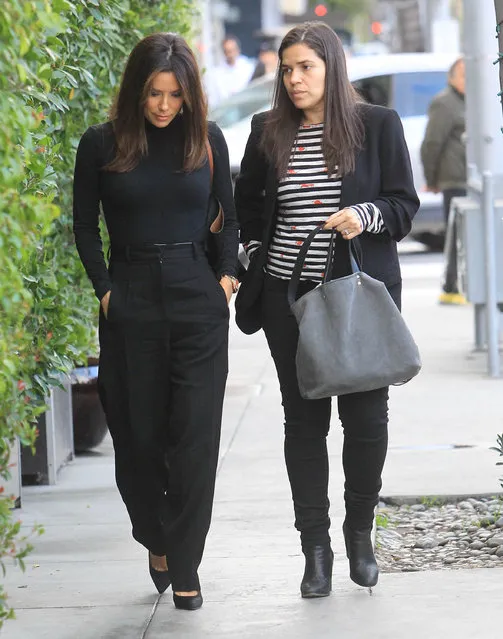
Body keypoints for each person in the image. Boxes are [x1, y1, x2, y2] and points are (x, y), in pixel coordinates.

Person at [234, 22, 418, 598]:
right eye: (286, 69)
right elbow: (246, 208)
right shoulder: (267, 132)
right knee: (304, 423)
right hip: (289, 300)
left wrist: (364, 216)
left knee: (366, 421)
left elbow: (403, 206)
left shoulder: (377, 125)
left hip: (358, 297)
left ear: (331, 68)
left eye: (305, 67)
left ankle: (359, 531)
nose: (293, 79)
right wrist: (257, 254)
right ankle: (315, 550)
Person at [73, 32, 239, 611]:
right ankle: (154, 535)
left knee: (194, 436)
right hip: (132, 298)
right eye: (153, 94)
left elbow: (230, 221)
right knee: (138, 437)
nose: (164, 106)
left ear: (190, 94)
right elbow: (82, 228)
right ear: (134, 91)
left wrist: (226, 283)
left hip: (197, 297)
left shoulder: (207, 140)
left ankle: (187, 560)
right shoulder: (101, 144)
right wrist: (106, 293)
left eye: (174, 94)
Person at [420, 57, 467, 305]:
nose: (468, 80)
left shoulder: (469, 101)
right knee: (456, 235)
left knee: (470, 236)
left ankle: (462, 285)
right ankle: (451, 286)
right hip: (454, 180)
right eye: (463, 75)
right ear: (451, 78)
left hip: (470, 180)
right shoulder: (445, 103)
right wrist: (432, 179)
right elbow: (432, 144)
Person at [207, 35, 255, 107]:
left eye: (233, 50)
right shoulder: (216, 73)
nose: (230, 54)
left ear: (238, 50)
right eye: (227, 51)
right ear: (224, 52)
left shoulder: (249, 68)